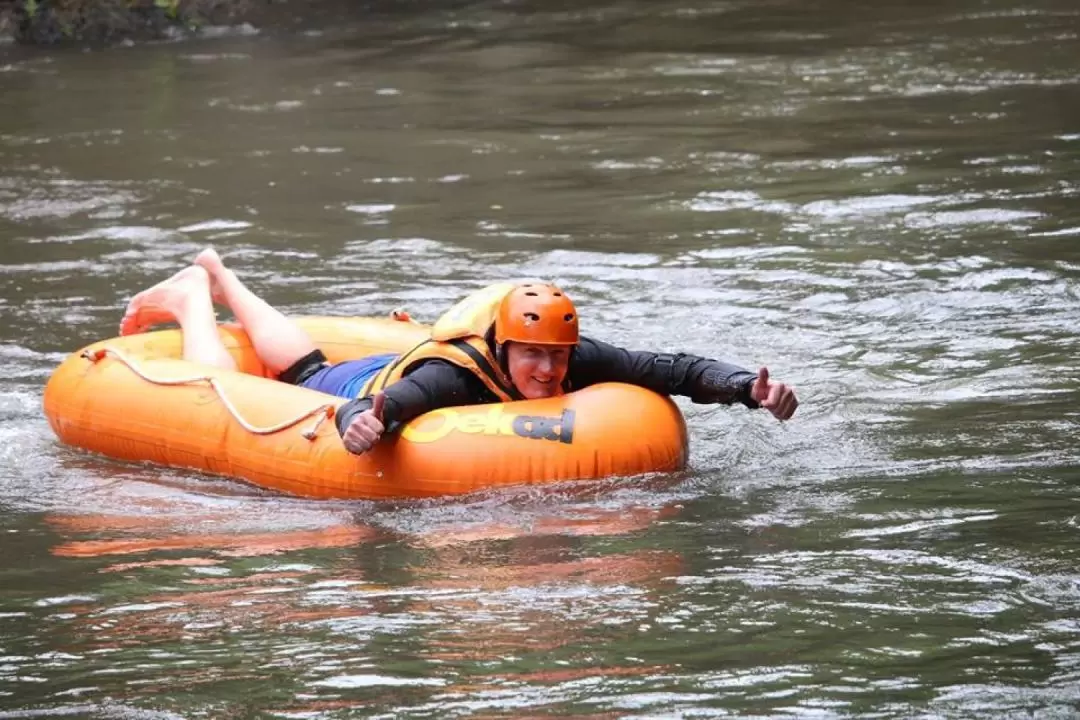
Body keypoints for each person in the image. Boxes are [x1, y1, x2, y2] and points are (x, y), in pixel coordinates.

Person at [120, 249, 799, 455]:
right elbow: (407, 401)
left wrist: (747, 388)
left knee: (303, 362)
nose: (547, 371)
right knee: (307, 374)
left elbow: (671, 369)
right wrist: (367, 420)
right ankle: (194, 295)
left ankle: (219, 277)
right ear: (504, 348)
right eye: (531, 355)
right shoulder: (456, 373)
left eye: (556, 357)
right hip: (370, 377)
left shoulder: (576, 356)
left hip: (387, 372)